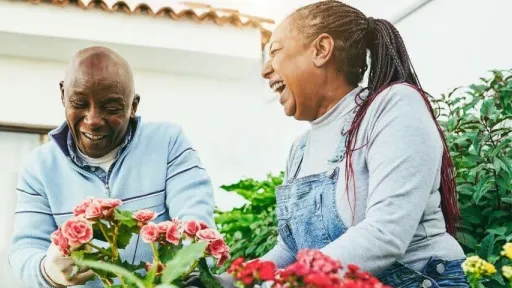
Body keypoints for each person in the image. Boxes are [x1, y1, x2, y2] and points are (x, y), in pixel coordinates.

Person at [257, 1, 469, 287]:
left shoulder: (393, 106)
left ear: (321, 50)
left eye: (276, 51)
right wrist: (226, 281)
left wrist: (288, 281)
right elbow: (289, 250)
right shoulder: (300, 150)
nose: (266, 70)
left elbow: (385, 234)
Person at [8, 46, 216, 287]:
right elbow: (24, 249)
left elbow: (196, 225)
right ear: (63, 94)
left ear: (133, 105)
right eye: (79, 102)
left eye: (112, 108)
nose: (93, 120)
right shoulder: (39, 167)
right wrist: (48, 271)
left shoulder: (169, 142)